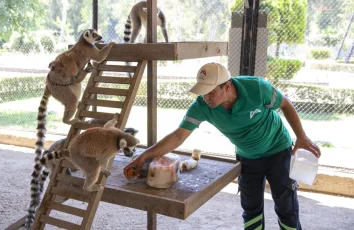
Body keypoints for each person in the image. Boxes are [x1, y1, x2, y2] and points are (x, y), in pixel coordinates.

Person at [123, 62, 321, 230]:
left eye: (209, 92)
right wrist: (144, 156)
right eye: (202, 93)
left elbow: (285, 104)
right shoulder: (202, 106)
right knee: (251, 208)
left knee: (286, 205)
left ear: (227, 86)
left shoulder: (257, 88)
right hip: (247, 156)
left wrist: (301, 137)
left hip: (278, 149)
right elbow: (177, 136)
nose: (205, 97)